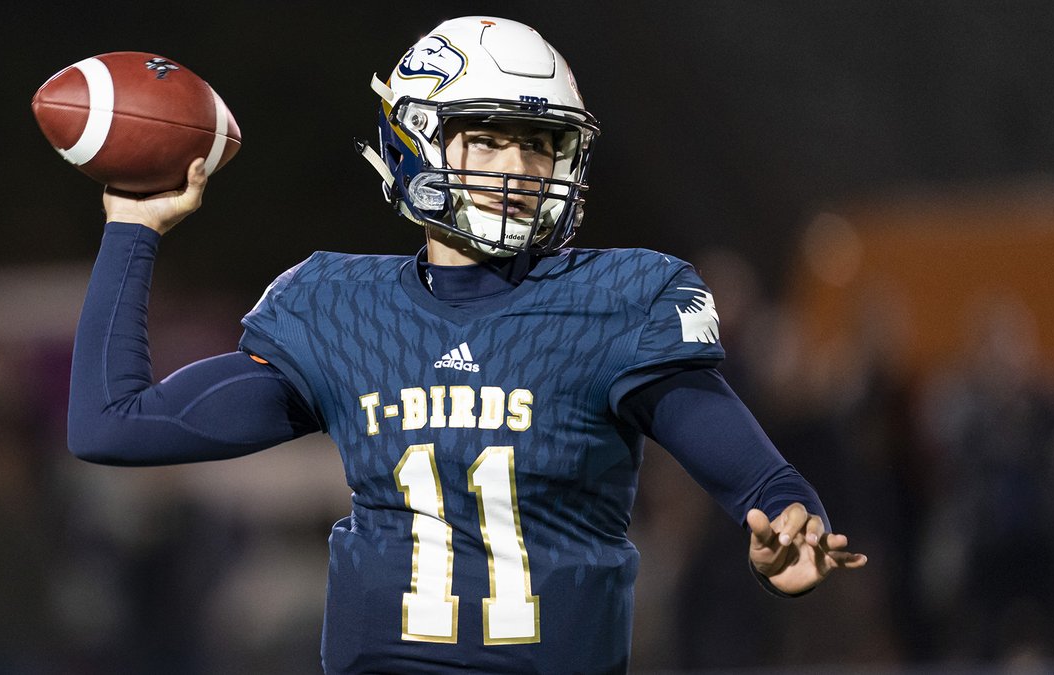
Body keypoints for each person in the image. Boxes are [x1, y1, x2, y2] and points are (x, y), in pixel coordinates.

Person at [67, 16, 867, 674]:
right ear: (415, 141)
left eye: (539, 144)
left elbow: (760, 478)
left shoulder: (613, 304)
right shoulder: (340, 311)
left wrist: (794, 532)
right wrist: (132, 229)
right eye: (487, 140)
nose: (518, 168)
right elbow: (112, 423)